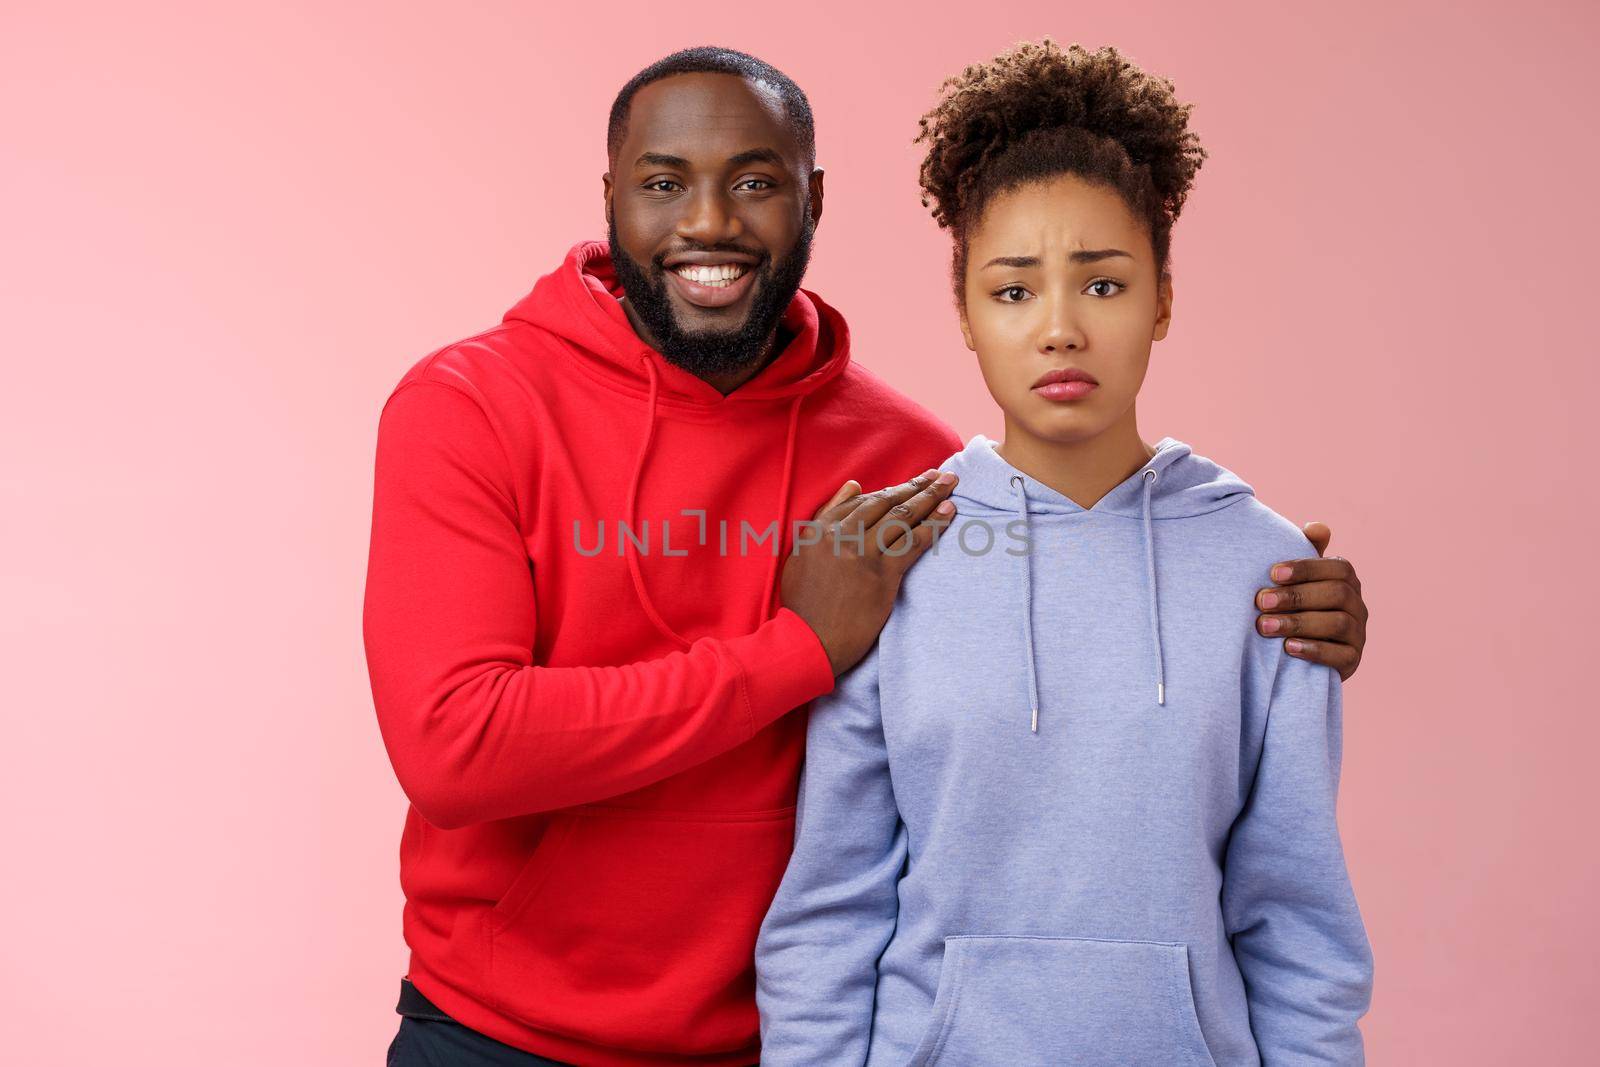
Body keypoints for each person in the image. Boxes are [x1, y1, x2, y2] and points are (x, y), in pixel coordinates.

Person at [362, 45, 1373, 1067]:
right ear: (612, 195)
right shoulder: (470, 407)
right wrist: (796, 647)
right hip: (495, 1033)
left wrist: (1275, 587)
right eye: (664, 183)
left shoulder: (907, 474)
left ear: (813, 200)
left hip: (759, 1040)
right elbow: (455, 744)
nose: (709, 222)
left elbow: (1075, 576)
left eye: (756, 182)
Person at [754, 40, 1374, 1066]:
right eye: (1011, 291)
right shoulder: (893, 554)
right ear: (963, 312)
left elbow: (1298, 924)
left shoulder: (1264, 572)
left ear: (1162, 298)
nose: (1057, 330)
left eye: (1101, 285)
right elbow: (830, 912)